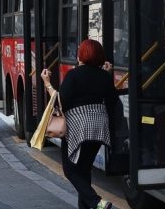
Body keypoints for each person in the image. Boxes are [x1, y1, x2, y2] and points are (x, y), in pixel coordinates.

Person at [41, 39, 116, 209]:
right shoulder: (104, 76)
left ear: (81, 55)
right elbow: (112, 100)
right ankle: (89, 206)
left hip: (78, 128)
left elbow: (61, 101)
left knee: (70, 170)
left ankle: (97, 202)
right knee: (84, 170)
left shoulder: (74, 75)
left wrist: (47, 83)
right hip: (99, 128)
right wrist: (107, 74)